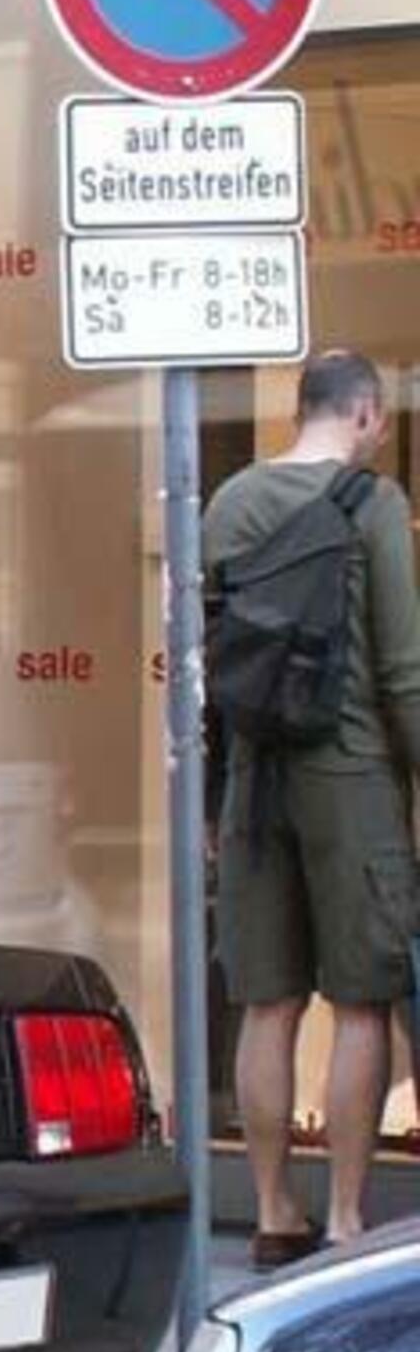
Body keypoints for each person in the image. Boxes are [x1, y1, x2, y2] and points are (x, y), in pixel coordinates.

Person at [210, 349, 420, 1266]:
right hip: (352, 775)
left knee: (269, 1003)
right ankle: (342, 1216)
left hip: (253, 781)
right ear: (367, 414)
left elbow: (208, 669)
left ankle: (268, 1211)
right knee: (363, 1003)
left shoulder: (227, 504)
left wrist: (214, 799)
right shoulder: (376, 506)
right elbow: (404, 671)